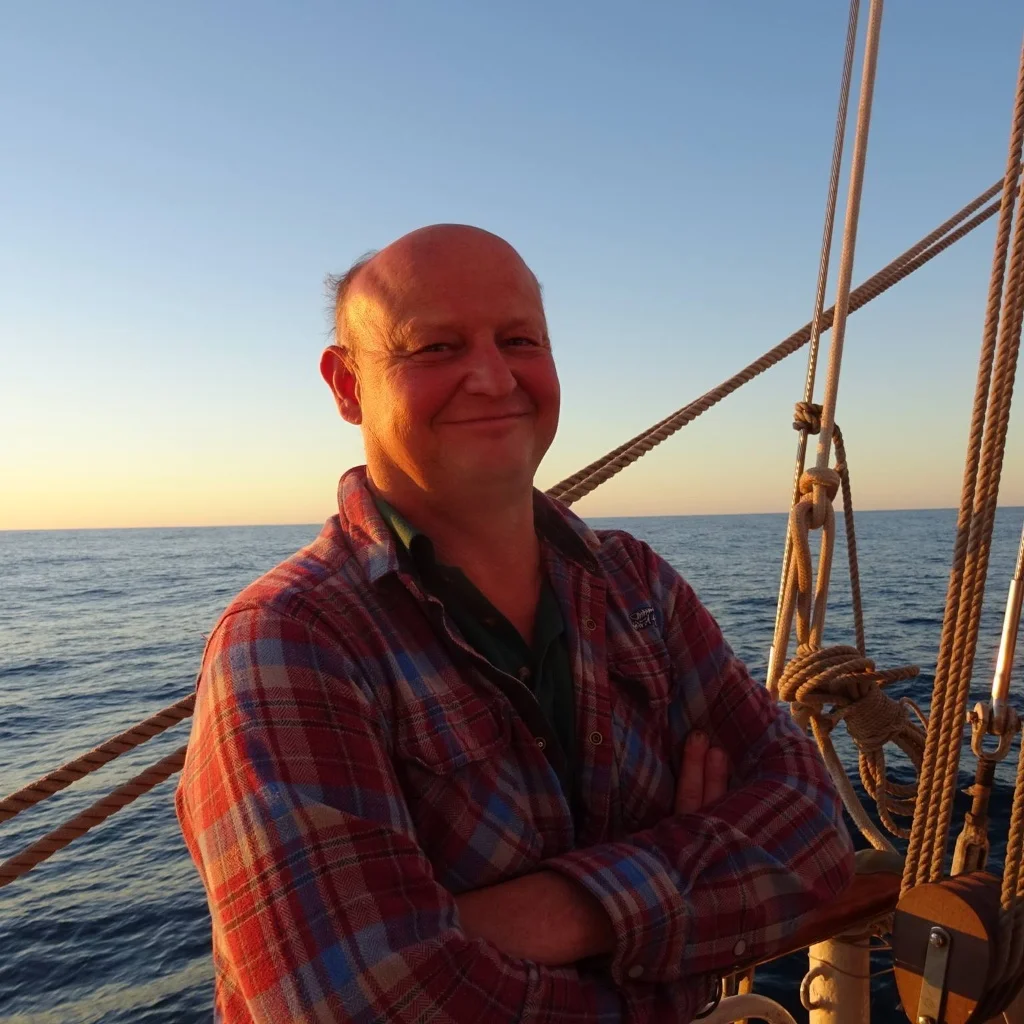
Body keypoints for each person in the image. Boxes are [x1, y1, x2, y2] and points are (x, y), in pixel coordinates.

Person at [175, 224, 854, 1023]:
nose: (494, 377)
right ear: (347, 385)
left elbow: (814, 829)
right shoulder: (290, 642)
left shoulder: (636, 586)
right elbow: (359, 1006)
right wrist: (689, 877)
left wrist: (557, 912)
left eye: (520, 340)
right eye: (435, 347)